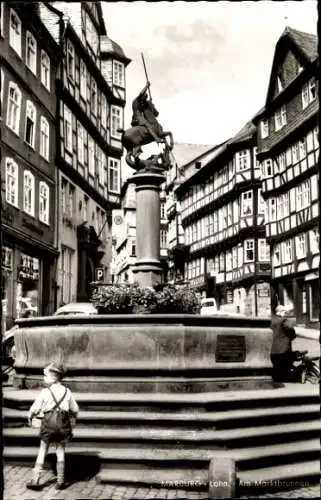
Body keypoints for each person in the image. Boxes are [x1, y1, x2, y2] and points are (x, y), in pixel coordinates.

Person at [26, 362, 79, 491]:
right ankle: (60, 480)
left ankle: (36, 479)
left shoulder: (45, 392)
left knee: (43, 450)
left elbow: (35, 407)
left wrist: (30, 415)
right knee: (60, 451)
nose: (44, 378)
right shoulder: (67, 391)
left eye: (45, 376)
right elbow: (75, 409)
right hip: (62, 426)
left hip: (48, 425)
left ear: (53, 378)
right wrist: (72, 417)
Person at [270, 305, 297, 382]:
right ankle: (286, 378)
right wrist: (292, 336)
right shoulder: (283, 320)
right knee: (285, 364)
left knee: (276, 365)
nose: (285, 314)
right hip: (283, 348)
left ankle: (276, 380)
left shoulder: (271, 319)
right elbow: (290, 328)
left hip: (272, 348)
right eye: (285, 312)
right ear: (280, 312)